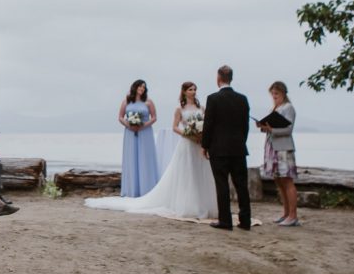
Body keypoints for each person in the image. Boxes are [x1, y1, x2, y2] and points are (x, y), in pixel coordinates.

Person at [86, 81, 217, 220]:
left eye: (195, 89)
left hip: (198, 143)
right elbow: (175, 127)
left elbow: (206, 125)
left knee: (201, 173)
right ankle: (189, 205)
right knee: (187, 173)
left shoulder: (202, 108)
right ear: (184, 92)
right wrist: (188, 134)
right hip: (187, 143)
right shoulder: (179, 109)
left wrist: (201, 136)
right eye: (191, 89)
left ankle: (204, 205)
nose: (194, 92)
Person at [201, 65, 251, 231]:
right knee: (241, 185)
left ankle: (225, 220)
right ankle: (245, 221)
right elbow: (246, 126)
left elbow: (208, 125)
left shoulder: (213, 99)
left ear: (218, 78)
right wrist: (241, 141)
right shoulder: (242, 99)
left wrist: (205, 145)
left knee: (222, 184)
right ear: (231, 78)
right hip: (238, 148)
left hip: (219, 149)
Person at [259, 81, 299, 227]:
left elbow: (288, 130)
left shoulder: (288, 108)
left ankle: (293, 216)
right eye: (272, 94)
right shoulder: (275, 107)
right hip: (272, 147)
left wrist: (271, 129)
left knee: (287, 180)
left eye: (276, 94)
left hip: (283, 148)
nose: (274, 97)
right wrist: (264, 127)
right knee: (279, 181)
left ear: (283, 93)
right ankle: (286, 213)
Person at [118, 79, 159, 197]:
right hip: (130, 133)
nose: (142, 89)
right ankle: (131, 190)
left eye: (144, 87)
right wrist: (129, 125)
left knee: (145, 158)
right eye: (140, 87)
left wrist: (142, 126)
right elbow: (120, 117)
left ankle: (147, 189)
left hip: (145, 132)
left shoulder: (148, 102)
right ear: (135, 87)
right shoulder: (127, 101)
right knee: (131, 157)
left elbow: (154, 117)